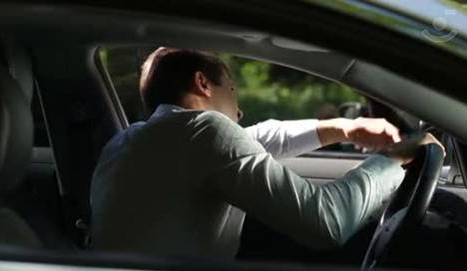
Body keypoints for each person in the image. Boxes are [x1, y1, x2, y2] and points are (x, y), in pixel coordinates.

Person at [90, 48, 443, 258]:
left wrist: (344, 128)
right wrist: (396, 157)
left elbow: (255, 138)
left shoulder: (130, 141)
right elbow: (325, 223)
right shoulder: (204, 132)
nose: (239, 113)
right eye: (233, 91)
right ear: (202, 84)